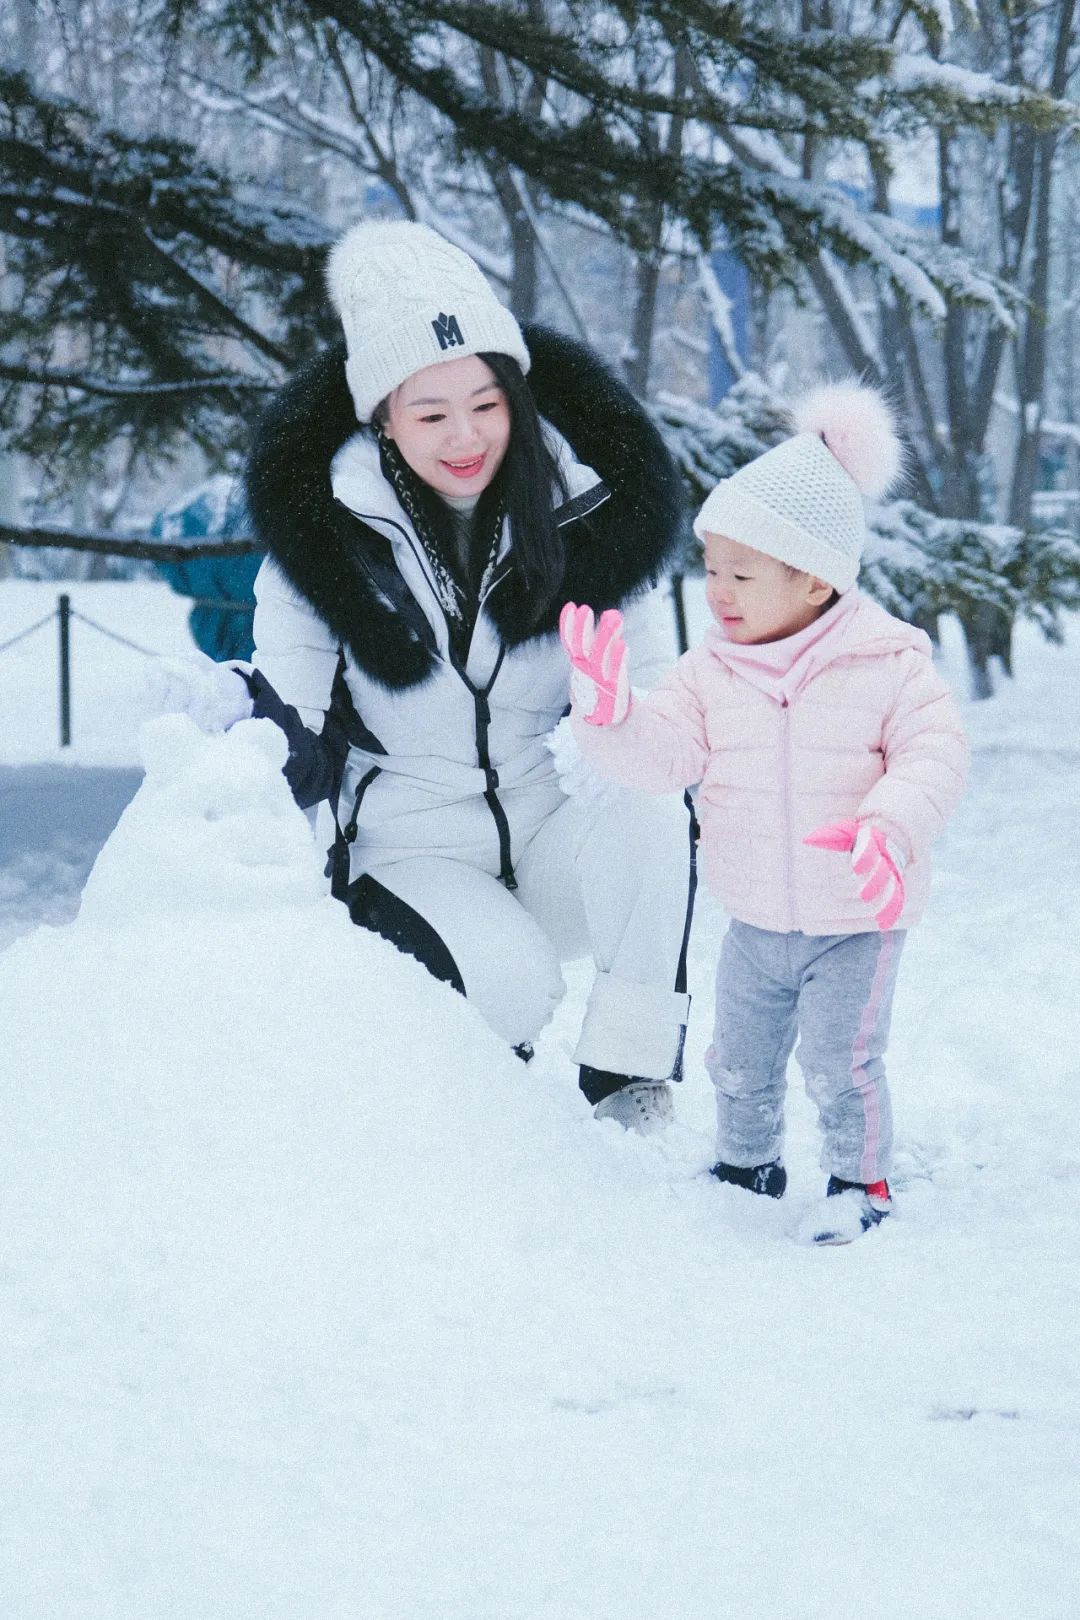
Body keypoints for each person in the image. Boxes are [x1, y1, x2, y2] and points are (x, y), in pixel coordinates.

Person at [166, 220, 697, 1132]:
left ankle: (628, 1079)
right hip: (411, 848)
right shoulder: (328, 536)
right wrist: (245, 722)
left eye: (488, 405)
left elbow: (666, 719)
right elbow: (290, 712)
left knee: (653, 810)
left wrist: (623, 718)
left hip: (549, 830)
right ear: (381, 415)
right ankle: (472, 1078)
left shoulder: (590, 515)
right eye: (431, 413)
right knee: (516, 991)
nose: (466, 437)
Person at [560, 383, 969, 1241]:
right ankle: (748, 1163)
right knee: (737, 1058)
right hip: (754, 917)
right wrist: (612, 714)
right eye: (711, 570)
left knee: (840, 1063)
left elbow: (935, 755)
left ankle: (861, 1185)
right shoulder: (711, 673)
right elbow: (665, 752)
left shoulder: (887, 666)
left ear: (814, 581)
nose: (719, 592)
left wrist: (887, 824)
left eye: (743, 574)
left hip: (856, 918)